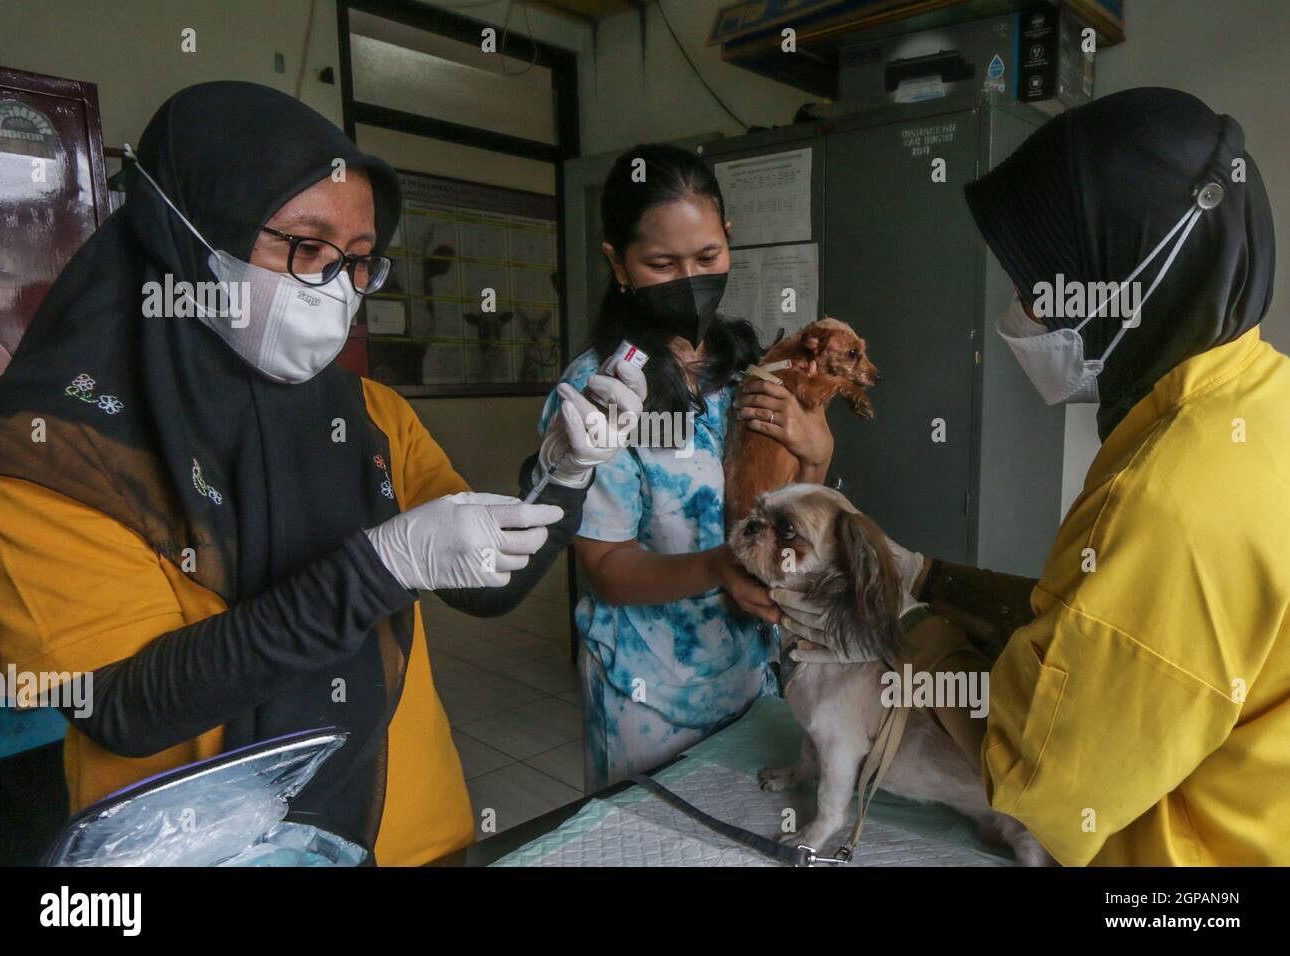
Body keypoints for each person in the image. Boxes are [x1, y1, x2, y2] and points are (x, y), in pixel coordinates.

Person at [0, 81, 642, 866]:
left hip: (411, 831)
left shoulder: (369, 414)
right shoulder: (57, 452)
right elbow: (126, 706)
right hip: (200, 850)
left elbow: (487, 585)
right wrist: (381, 566)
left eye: (359, 261)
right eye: (304, 247)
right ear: (187, 232)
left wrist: (563, 476)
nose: (334, 288)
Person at [776, 88, 1283, 865]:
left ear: (1123, 279)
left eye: (1033, 285)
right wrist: (937, 577)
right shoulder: (1257, 403)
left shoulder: (1172, 496)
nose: (1018, 314)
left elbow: (1040, 778)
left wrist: (908, 626)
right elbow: (1100, 624)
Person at [540, 144, 834, 791]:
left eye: (707, 258)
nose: (691, 279)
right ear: (619, 262)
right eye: (662, 263)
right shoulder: (598, 394)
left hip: (753, 674)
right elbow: (606, 569)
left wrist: (818, 449)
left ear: (729, 241)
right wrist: (719, 569)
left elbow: (789, 497)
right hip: (649, 695)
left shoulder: (750, 366)